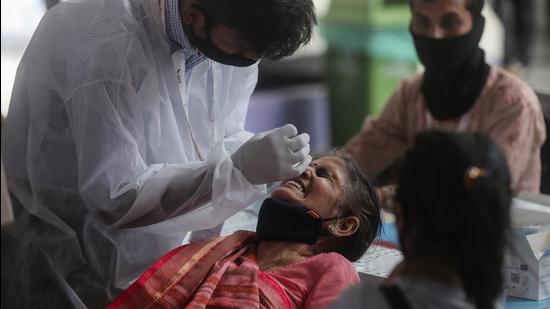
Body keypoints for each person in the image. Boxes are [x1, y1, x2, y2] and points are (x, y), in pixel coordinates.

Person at [1, 0, 316, 307]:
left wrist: (253, 150)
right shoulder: (104, 48)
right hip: (81, 249)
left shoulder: (232, 30)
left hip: (168, 253)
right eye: (246, 48)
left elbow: (219, 132)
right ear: (194, 14)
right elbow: (115, 196)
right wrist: (240, 166)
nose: (251, 56)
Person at [108, 151, 382, 309]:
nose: (306, 170)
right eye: (308, 164)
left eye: (324, 174)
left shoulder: (333, 268)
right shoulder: (225, 251)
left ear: (344, 224)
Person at [346, 0, 546, 194]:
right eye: (422, 23)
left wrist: (388, 195)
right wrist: (329, 172)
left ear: (477, 27)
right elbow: (364, 154)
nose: (434, 35)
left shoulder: (512, 102)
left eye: (450, 23)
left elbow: (481, 190)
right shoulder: (411, 94)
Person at [332, 131, 512, 309]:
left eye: (326, 175)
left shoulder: (363, 301)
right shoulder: (492, 299)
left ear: (402, 216)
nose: (308, 173)